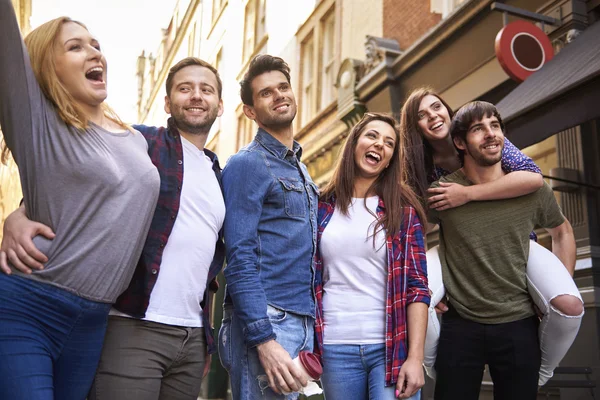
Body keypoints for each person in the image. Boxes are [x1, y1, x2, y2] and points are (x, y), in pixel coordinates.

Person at [1, 57, 226, 400]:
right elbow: (76, 173)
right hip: (133, 325)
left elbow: (205, 266)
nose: (196, 96)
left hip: (191, 340)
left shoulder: (218, 174)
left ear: (220, 105)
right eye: (185, 88)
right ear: (168, 103)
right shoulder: (140, 142)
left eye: (205, 90)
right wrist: (22, 212)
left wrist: (205, 339)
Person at [0, 2, 160, 399]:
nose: (94, 53)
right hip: (27, 307)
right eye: (75, 47)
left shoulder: (138, 140)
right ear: (44, 66)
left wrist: (20, 210)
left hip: (93, 321)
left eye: (96, 45)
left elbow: (91, 196)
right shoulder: (36, 120)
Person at [400, 88, 583, 385]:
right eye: (422, 115)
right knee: (420, 298)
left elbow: (534, 178)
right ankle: (433, 366)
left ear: (448, 110)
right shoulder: (419, 167)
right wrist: (437, 282)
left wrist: (467, 194)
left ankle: (541, 372)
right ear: (414, 128)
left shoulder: (485, 138)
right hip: (458, 247)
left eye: (436, 107)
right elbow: (418, 228)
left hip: (516, 240)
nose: (433, 116)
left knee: (569, 304)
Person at [218, 54, 319, 399]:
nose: (278, 96)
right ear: (249, 111)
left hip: (303, 322)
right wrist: (263, 339)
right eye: (265, 93)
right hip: (269, 323)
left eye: (283, 87)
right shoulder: (247, 164)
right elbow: (239, 256)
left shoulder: (301, 171)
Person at [313, 112, 430, 400]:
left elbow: (418, 290)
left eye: (389, 143)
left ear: (390, 159)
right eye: (372, 136)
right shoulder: (319, 208)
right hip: (335, 346)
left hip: (390, 347)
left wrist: (415, 358)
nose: (380, 145)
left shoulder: (403, 214)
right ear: (354, 144)